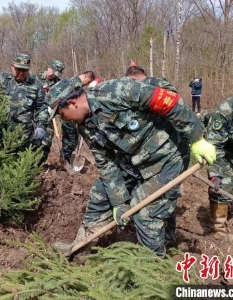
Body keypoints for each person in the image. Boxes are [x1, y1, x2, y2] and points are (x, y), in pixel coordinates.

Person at [47, 76, 216, 257]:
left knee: (146, 213)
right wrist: (119, 203)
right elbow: (106, 163)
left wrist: (197, 138)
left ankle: (151, 267)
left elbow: (170, 102)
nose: (64, 120)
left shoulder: (117, 90)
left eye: (61, 114)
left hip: (167, 156)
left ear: (72, 103)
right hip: (133, 159)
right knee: (100, 194)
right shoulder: (85, 126)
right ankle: (79, 251)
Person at [0, 53, 49, 156]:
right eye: (18, 69)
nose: (21, 73)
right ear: (12, 67)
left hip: (25, 135)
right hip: (2, 133)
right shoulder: (2, 80)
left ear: (29, 69)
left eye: (24, 70)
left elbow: (42, 107)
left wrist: (41, 126)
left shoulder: (36, 85)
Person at [205, 98, 233, 241]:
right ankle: (220, 229)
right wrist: (216, 174)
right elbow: (214, 147)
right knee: (223, 187)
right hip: (225, 157)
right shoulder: (225, 112)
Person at [34, 59, 65, 163]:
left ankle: (39, 165)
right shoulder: (36, 78)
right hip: (34, 115)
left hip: (49, 116)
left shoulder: (58, 84)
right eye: (54, 72)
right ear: (48, 68)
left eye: (57, 74)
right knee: (33, 140)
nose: (55, 76)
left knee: (46, 142)